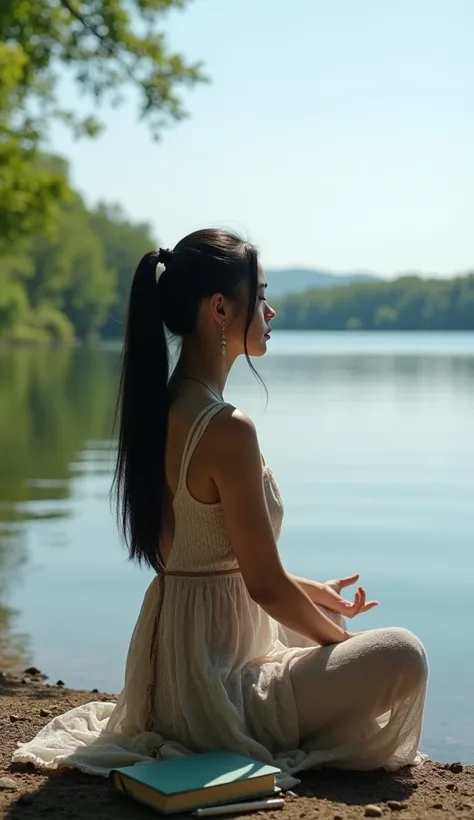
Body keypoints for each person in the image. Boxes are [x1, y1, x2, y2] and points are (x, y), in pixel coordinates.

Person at [12, 229, 428, 788]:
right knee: (403, 653)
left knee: (322, 619)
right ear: (220, 309)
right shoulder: (226, 428)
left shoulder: (162, 405)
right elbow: (264, 587)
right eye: (259, 295)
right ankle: (292, 726)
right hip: (215, 692)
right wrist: (346, 648)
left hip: (177, 668)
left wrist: (312, 593)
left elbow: (206, 556)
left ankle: (312, 687)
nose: (270, 309)